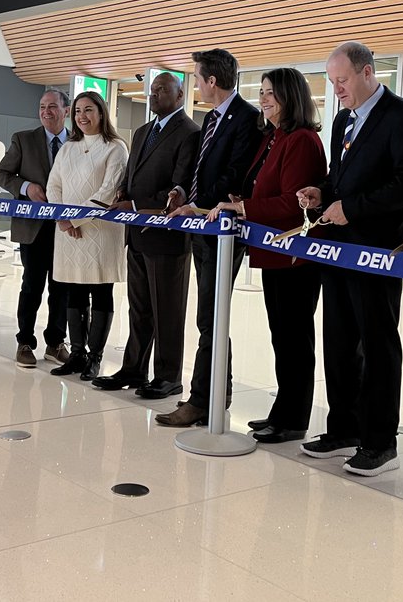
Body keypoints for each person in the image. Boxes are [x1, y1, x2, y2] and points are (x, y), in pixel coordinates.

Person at [295, 41, 403, 476]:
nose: (336, 89)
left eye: (342, 80)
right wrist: (321, 193)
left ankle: (379, 442)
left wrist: (352, 208)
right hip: (338, 248)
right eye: (332, 82)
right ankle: (344, 429)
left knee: (377, 345)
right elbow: (339, 177)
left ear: (367, 72)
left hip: (378, 250)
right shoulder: (342, 119)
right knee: (338, 341)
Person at [208, 68, 326, 444]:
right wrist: (242, 201)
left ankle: (294, 419)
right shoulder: (274, 137)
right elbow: (263, 189)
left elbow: (293, 203)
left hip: (295, 258)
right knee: (282, 338)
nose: (263, 99)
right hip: (274, 254)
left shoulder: (302, 139)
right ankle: (283, 412)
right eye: (261, 92)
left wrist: (243, 208)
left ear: (291, 96)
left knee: (294, 339)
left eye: (271, 92)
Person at [156, 48, 263, 428]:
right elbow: (203, 170)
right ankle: (219, 389)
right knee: (210, 317)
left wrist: (198, 205)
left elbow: (235, 175)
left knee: (210, 316)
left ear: (212, 81)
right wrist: (183, 194)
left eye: (198, 78)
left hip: (222, 230)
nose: (197, 85)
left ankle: (202, 399)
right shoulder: (212, 117)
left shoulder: (247, 118)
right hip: (202, 228)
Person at [94, 72, 200, 398]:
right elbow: (131, 175)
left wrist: (136, 204)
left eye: (162, 90)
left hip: (167, 237)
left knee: (167, 310)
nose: (153, 94)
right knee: (138, 308)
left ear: (180, 95)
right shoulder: (142, 132)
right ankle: (133, 369)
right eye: (152, 90)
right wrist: (122, 193)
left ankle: (168, 377)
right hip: (137, 235)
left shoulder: (190, 133)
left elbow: (181, 186)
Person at [46, 91, 128, 381]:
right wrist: (62, 218)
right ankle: (77, 353)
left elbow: (108, 191)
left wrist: (74, 218)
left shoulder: (115, 148)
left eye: (89, 110)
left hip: (101, 232)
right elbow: (53, 185)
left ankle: (95, 357)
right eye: (78, 111)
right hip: (68, 232)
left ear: (101, 113)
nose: (82, 116)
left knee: (101, 291)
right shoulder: (68, 147)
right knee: (75, 291)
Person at [0, 89, 71, 369]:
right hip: (34, 228)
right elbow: (1, 173)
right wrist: (26, 188)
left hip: (67, 227)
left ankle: (56, 343)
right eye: (42, 107)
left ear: (66, 110)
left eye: (52, 106)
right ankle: (25, 342)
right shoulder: (23, 139)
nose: (46, 112)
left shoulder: (79, 142)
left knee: (62, 288)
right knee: (32, 286)